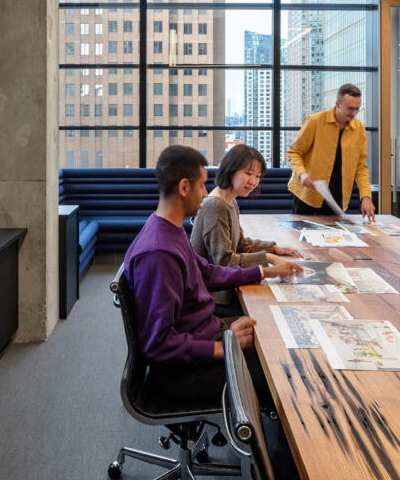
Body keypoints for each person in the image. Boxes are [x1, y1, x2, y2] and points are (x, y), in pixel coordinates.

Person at [121, 145, 302, 402]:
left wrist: (264, 272)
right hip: (185, 372)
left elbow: (208, 273)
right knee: (289, 371)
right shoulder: (158, 253)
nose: (206, 193)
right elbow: (159, 344)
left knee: (282, 336)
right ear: (185, 187)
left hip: (206, 332)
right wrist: (225, 347)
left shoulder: (168, 230)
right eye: (202, 186)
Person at [191, 144, 302, 314]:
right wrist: (268, 258)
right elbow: (225, 261)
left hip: (225, 290)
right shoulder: (216, 205)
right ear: (231, 170)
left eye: (257, 176)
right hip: (213, 299)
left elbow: (240, 242)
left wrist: (272, 247)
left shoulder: (229, 200)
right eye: (248, 173)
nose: (253, 181)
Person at [287, 83, 375, 220]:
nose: (354, 113)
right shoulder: (315, 121)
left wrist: (366, 196)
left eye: (357, 109)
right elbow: (294, 152)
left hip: (335, 196)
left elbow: (361, 167)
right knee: (302, 237)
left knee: (333, 238)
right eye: (350, 108)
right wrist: (302, 174)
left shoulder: (359, 129)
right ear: (337, 104)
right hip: (307, 193)